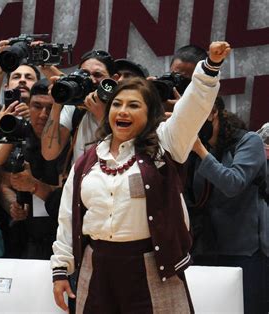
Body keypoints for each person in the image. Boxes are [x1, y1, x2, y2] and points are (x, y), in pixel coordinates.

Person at [51, 41, 231, 313]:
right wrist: (61, 270)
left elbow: (193, 108)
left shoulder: (165, 146)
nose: (123, 111)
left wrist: (209, 69)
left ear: (149, 115)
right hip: (96, 267)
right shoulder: (87, 160)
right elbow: (68, 218)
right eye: (117, 105)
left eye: (133, 105)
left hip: (151, 266)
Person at [189, 97, 267, 314]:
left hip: (245, 250)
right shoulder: (197, 150)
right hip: (206, 248)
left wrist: (199, 150)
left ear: (213, 111)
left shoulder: (248, 141)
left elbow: (234, 184)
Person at [5, 79, 69, 259]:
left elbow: (71, 197)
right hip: (25, 237)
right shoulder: (18, 134)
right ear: (28, 106)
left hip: (61, 236)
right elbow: (3, 184)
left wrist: (34, 186)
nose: (42, 114)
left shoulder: (69, 141)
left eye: (49, 108)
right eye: (36, 106)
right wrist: (14, 205)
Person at [41, 50, 118, 166]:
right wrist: (58, 102)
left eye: (98, 75)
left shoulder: (122, 108)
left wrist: (101, 115)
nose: (91, 80)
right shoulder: (74, 107)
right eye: (85, 74)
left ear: (114, 79)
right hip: (78, 182)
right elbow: (49, 153)